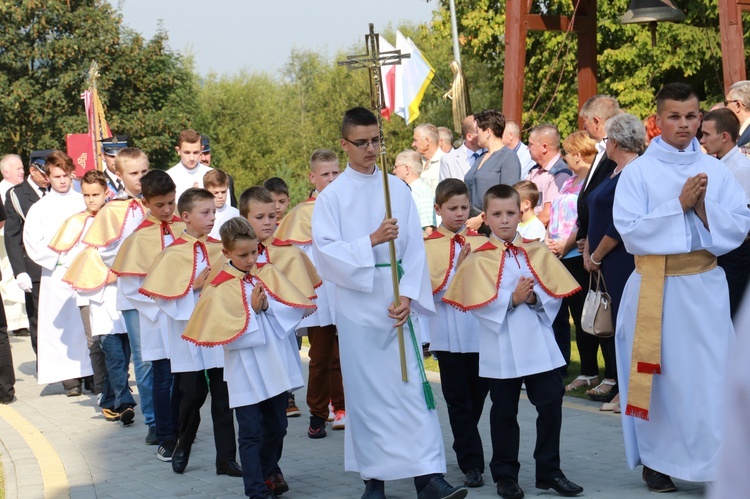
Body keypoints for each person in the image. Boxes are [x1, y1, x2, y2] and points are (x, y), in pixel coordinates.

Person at [312, 107, 467, 499]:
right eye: (361, 143)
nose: (370, 149)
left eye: (375, 141)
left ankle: (427, 477)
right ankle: (374, 480)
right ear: (345, 144)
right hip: (358, 306)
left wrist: (410, 296)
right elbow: (325, 255)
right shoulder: (332, 198)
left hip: (398, 299)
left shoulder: (397, 189)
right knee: (368, 395)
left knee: (413, 389)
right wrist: (371, 241)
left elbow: (415, 249)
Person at [613, 82, 750, 492]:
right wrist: (679, 207)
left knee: (711, 378)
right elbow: (631, 233)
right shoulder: (638, 172)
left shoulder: (719, 171)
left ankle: (717, 463)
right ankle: (658, 462)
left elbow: (740, 226)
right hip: (655, 286)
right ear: (658, 121)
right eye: (674, 116)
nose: (684, 125)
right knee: (662, 379)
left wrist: (703, 206)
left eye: (692, 117)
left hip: (704, 286)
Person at [443, 184, 583, 499]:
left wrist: (534, 298)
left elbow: (553, 293)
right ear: (486, 217)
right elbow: (475, 303)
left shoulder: (535, 249)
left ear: (520, 213)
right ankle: (505, 474)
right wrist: (511, 299)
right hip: (501, 342)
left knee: (551, 401)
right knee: (504, 410)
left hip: (536, 341)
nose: (505, 220)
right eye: (497, 214)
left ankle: (550, 471)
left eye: (510, 213)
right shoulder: (478, 258)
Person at [182, 217, 315, 499]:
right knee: (251, 431)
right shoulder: (218, 287)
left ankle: (269, 470)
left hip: (274, 363)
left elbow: (291, 312)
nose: (251, 259)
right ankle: (256, 490)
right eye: (243, 255)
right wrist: (253, 310)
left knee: (278, 426)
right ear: (227, 253)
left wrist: (266, 308)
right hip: (245, 369)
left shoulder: (267, 272)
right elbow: (224, 331)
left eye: (254, 252)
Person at [140, 188, 241, 477]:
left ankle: (226, 459)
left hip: (217, 332)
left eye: (213, 212)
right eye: (205, 212)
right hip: (187, 335)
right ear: (185, 217)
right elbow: (161, 296)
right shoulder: (171, 253)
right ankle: (182, 445)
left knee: (223, 398)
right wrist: (192, 288)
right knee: (191, 396)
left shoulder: (219, 249)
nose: (212, 218)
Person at [110, 170, 184, 461]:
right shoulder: (139, 238)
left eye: (170, 203)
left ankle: (183, 427)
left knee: (186, 379)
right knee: (162, 376)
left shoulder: (184, 228)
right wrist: (162, 304)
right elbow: (131, 286)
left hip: (184, 318)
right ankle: (164, 432)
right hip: (158, 318)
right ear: (145, 202)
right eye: (159, 205)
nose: (166, 210)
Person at [82, 147, 155, 441]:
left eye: (144, 172)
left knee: (167, 360)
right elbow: (107, 252)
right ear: (121, 176)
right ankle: (152, 419)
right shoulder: (114, 211)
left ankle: (170, 416)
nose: (140, 178)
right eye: (134, 173)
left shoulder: (161, 205)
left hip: (164, 293)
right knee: (144, 360)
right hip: (134, 293)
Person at [274, 149, 346, 442]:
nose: (331, 179)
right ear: (312, 177)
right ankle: (317, 413)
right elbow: (295, 258)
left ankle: (343, 407)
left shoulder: (349, 206)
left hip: (347, 291)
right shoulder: (302, 214)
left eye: (335, 173)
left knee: (344, 355)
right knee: (319, 356)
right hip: (320, 294)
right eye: (325, 174)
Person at [239, 186, 322, 426]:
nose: (268, 223)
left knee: (277, 423)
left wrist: (268, 308)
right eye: (259, 217)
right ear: (244, 219)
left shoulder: (289, 254)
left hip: (279, 343)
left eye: (272, 217)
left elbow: (299, 305)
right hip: (247, 348)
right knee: (251, 422)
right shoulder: (232, 257)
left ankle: (271, 463)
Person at [424, 178, 488, 488]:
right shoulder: (428, 246)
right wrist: (456, 271)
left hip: (477, 333)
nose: (460, 214)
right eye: (452, 208)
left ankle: (465, 443)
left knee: (477, 397)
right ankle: (472, 463)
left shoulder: (481, 242)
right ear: (438, 209)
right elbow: (428, 291)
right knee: (458, 400)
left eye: (464, 207)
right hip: (447, 334)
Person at [584, 113, 644, 412]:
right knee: (614, 326)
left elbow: (621, 224)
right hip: (601, 259)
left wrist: (596, 254)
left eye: (607, 139)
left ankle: (627, 390)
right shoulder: (613, 169)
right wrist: (588, 251)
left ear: (616, 141)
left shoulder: (634, 171)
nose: (604, 144)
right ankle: (620, 385)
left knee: (625, 325)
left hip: (620, 260)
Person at [22, 151, 89, 396]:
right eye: (57, 176)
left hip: (85, 271)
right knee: (62, 328)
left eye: (65, 175)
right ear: (47, 177)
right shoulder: (40, 209)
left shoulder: (83, 201)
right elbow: (33, 244)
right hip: (58, 275)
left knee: (87, 327)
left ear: (72, 174)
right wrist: (59, 259)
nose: (62, 180)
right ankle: (70, 379)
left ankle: (91, 373)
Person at [53, 170, 112, 397]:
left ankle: (118, 386)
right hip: (88, 291)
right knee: (94, 342)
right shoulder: (77, 222)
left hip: (113, 288)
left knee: (116, 343)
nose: (91, 200)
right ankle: (102, 389)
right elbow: (66, 257)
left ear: (106, 193)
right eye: (86, 195)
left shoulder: (115, 218)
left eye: (96, 194)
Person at [545, 131, 595, 375]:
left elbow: (581, 218)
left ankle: (589, 370)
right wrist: (549, 238)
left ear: (577, 154)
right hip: (558, 252)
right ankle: (568, 366)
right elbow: (557, 212)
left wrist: (566, 244)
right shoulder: (570, 180)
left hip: (574, 252)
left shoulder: (590, 181)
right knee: (561, 314)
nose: (563, 157)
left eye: (565, 152)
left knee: (581, 314)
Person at [700, 108, 750, 316]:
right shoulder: (719, 165)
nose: (702, 140)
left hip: (737, 254)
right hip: (722, 251)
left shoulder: (742, 168)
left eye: (706, 134)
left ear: (724, 137)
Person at [4, 149, 53, 355]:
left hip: (59, 263)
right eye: (44, 173)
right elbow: (12, 236)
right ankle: (44, 362)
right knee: (39, 319)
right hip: (33, 265)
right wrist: (19, 271)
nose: (48, 178)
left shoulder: (57, 190)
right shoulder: (16, 194)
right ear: (33, 169)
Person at [576, 95, 620, 257]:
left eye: (585, 121)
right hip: (590, 245)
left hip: (608, 250)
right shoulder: (601, 149)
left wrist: (594, 245)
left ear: (596, 121)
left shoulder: (617, 153)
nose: (584, 126)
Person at [465, 110, 521, 231]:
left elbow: (507, 195)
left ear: (488, 132)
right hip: (472, 227)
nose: (476, 135)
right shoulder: (481, 157)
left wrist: (481, 219)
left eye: (478, 131)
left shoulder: (508, 157)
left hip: (492, 229)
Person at [0, 154, 30, 338]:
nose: (22, 171)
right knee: (9, 282)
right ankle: (13, 322)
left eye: (22, 168)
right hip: (4, 243)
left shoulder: (23, 189)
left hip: (23, 242)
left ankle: (23, 321)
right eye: (17, 168)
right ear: (5, 172)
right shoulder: (2, 190)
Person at [525, 124, 571, 227]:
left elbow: (547, 215)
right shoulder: (534, 170)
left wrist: (521, 231)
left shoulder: (561, 175)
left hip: (542, 239)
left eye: (530, 144)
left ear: (544, 147)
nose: (527, 148)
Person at [393, 150, 437, 233]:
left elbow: (429, 230)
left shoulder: (422, 192)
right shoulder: (409, 190)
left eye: (396, 167)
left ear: (406, 168)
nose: (394, 171)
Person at [168, 129, 213, 201]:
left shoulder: (212, 175)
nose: (192, 158)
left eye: (195, 152)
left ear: (201, 150)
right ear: (178, 150)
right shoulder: (169, 177)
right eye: (187, 152)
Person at [439, 115, 484, 182]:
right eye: (480, 131)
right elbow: (445, 190)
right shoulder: (448, 160)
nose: (486, 134)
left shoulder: (493, 155)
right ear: (469, 136)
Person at [200, 134, 237, 207]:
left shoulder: (225, 178)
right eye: (200, 154)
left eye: (206, 153)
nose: (204, 159)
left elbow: (232, 206)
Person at [204, 169, 240, 240]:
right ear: (206, 191)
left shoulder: (236, 214)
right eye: (216, 193)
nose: (220, 196)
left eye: (223, 192)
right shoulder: (200, 214)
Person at [413, 123, 445, 196]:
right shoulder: (416, 161)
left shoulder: (445, 162)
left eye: (415, 140)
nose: (413, 144)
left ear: (427, 141)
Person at [724, 80, 750, 149]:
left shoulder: (746, 138)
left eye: (726, 103)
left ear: (738, 105)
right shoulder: (742, 134)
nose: (725, 108)